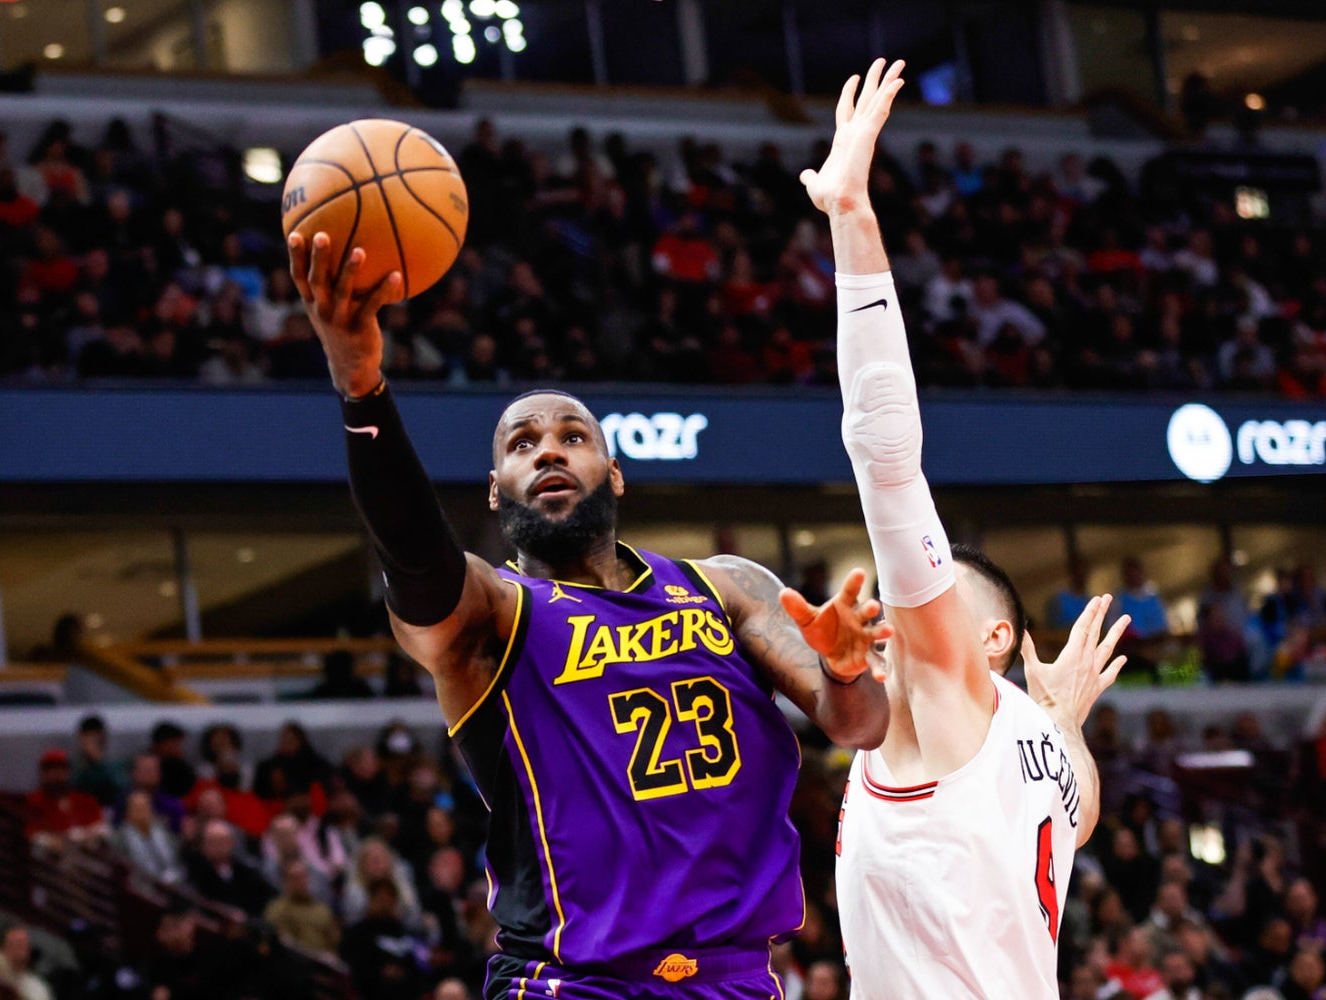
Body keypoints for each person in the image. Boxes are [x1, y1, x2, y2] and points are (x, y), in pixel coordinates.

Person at [288, 170, 891, 995]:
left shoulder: (728, 588)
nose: (548, 449)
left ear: (615, 475)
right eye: (522, 442)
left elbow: (857, 726)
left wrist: (849, 670)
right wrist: (363, 390)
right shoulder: (490, 615)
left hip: (735, 978)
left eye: (573, 436)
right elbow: (415, 556)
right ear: (496, 493)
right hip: (574, 982)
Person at [798, 59, 1128, 999]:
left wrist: (853, 222)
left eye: (930, 612)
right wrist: (1063, 713)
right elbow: (1087, 808)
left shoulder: (952, 695)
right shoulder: (1044, 746)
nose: (900, 614)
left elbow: (885, 456)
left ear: (987, 639)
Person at [22, 749, 107, 844]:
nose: (56, 775)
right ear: (42, 774)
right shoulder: (33, 802)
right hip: (54, 854)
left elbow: (101, 828)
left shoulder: (86, 800)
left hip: (88, 852)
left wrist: (87, 835)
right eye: (50, 770)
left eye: (60, 770)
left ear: (68, 773)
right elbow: (33, 834)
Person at [264, 859, 342, 957]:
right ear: (285, 882)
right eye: (294, 878)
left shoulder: (322, 910)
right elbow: (283, 945)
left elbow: (334, 942)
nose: (299, 882)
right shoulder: (277, 910)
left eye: (302, 877)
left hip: (326, 965)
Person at [114, 788, 184, 885]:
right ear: (127, 813)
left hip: (176, 880)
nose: (143, 813)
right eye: (137, 809)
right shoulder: (120, 838)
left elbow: (178, 853)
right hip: (145, 888)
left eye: (145, 807)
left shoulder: (162, 828)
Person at [0, 925, 53, 1000]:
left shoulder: (38, 987)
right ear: (4, 947)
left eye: (25, 945)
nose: (22, 949)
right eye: (17, 943)